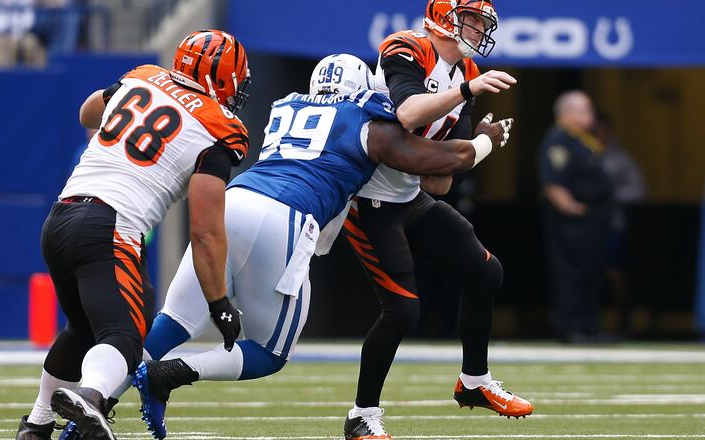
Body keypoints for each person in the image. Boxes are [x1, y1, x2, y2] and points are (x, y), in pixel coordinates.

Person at [126, 53, 512, 440]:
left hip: (234, 199)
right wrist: (483, 141)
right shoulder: (366, 116)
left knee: (174, 320)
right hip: (286, 217)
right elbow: (432, 161)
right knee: (269, 353)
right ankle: (171, 373)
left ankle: (96, 397)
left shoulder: (285, 105)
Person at [15, 29, 251, 440]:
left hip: (61, 217)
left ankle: (36, 426)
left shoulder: (143, 76)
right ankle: (91, 395)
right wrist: (219, 301)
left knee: (83, 328)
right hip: (111, 226)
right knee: (125, 337)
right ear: (225, 78)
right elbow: (207, 229)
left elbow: (88, 113)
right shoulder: (219, 127)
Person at [339, 2, 532, 438]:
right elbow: (407, 113)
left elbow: (438, 182)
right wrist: (468, 98)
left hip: (408, 197)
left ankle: (474, 381)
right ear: (445, 18)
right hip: (367, 200)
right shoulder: (407, 48)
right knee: (403, 310)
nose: (481, 29)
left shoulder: (466, 72)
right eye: (474, 19)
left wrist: (475, 146)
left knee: (486, 272)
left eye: (484, 22)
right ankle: (361, 416)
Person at [539, 90, 614, 343]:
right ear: (567, 113)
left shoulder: (582, 141)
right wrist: (572, 208)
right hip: (573, 221)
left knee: (591, 273)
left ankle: (588, 326)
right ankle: (569, 327)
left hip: (592, 219)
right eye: (584, 110)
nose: (589, 115)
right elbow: (553, 182)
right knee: (571, 272)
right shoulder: (558, 140)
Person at [597, 114, 644, 337]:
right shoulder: (584, 153)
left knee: (615, 273)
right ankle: (590, 323)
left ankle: (623, 320)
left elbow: (637, 190)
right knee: (589, 272)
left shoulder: (620, 159)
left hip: (612, 224)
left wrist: (610, 196)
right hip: (586, 225)